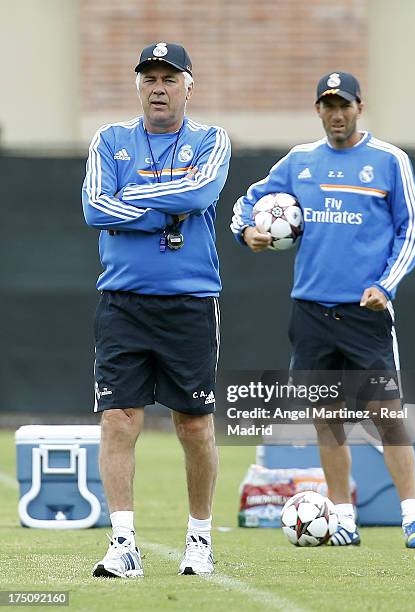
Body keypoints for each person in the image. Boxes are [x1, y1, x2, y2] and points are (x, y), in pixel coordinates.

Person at [231, 72, 415, 549]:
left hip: (366, 312)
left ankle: (412, 519)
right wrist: (248, 233)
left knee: (388, 414)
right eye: (328, 105)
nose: (336, 113)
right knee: (326, 418)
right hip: (312, 313)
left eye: (344, 105)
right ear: (318, 110)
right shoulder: (300, 162)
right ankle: (343, 518)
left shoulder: (389, 160)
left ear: (360, 106)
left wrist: (386, 284)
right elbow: (246, 203)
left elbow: (413, 227)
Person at [82, 41, 231, 578]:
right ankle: (123, 544)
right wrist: (161, 214)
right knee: (118, 419)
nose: (158, 87)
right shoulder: (110, 140)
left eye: (170, 77)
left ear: (189, 85)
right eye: (149, 78)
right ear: (137, 84)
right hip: (122, 300)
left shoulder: (211, 139)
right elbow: (95, 207)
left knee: (194, 425)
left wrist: (135, 207)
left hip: (190, 301)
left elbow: (201, 193)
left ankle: (199, 539)